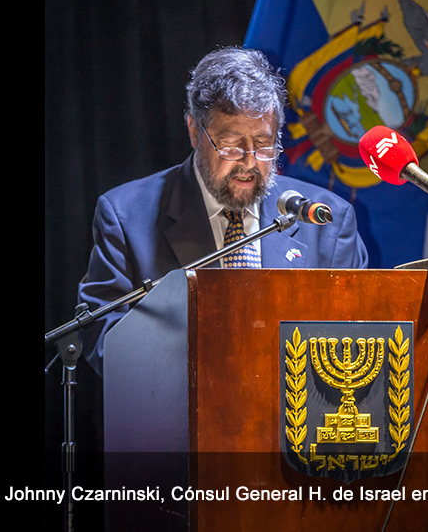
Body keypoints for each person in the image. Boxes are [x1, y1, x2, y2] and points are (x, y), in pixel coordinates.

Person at [77, 47, 369, 376]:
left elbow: (358, 337)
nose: (249, 162)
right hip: (180, 402)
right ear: (194, 131)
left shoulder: (327, 220)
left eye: (263, 144)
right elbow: (105, 338)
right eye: (231, 145)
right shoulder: (125, 216)